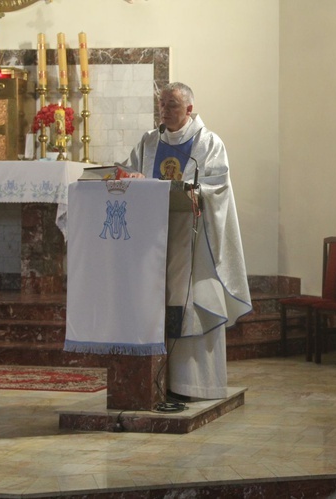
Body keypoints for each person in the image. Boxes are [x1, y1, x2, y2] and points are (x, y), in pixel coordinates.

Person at [123, 82, 252, 401]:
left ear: (189, 109)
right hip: (154, 238)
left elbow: (218, 186)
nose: (164, 110)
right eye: (162, 104)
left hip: (193, 240)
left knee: (194, 304)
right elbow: (130, 172)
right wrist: (133, 178)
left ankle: (195, 384)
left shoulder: (209, 143)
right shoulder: (149, 142)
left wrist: (197, 192)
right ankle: (159, 382)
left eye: (172, 105)